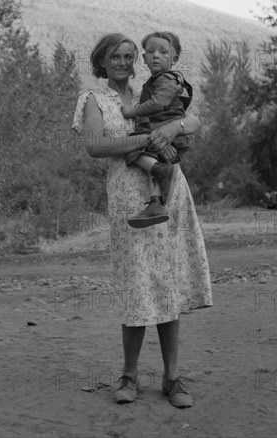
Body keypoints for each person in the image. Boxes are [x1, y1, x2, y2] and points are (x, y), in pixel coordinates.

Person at [72, 33, 213, 408]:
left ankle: (172, 378)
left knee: (168, 280)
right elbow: (97, 146)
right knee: (136, 283)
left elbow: (194, 119)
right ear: (101, 62)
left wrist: (175, 128)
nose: (123, 62)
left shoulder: (152, 90)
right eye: (115, 56)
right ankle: (130, 376)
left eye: (128, 56)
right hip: (127, 201)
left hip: (169, 192)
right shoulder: (94, 99)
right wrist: (147, 139)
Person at [120, 31, 193, 229]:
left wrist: (132, 112)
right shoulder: (159, 81)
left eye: (163, 52)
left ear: (175, 58)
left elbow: (159, 104)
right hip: (166, 135)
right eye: (150, 52)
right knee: (155, 165)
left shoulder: (168, 79)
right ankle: (156, 203)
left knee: (131, 146)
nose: (156, 55)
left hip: (166, 131)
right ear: (143, 58)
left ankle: (160, 171)